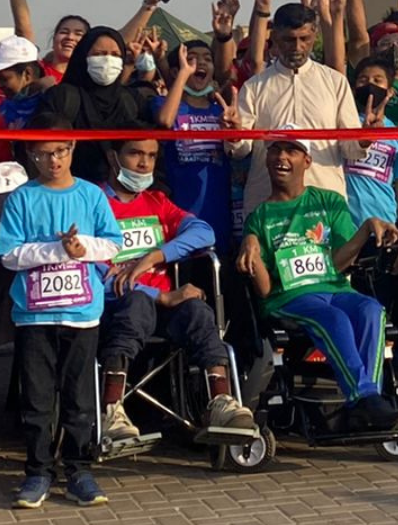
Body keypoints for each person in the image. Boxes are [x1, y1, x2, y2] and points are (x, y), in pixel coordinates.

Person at [0, 113, 123, 509]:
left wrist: (83, 249)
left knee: (79, 397)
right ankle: (37, 471)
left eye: (62, 152)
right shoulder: (22, 198)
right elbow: (7, 254)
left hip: (81, 314)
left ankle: (79, 468)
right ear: (33, 155)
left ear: (72, 150)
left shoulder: (91, 195)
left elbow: (114, 243)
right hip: (34, 316)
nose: (54, 161)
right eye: (46, 153)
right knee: (36, 398)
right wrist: (55, 250)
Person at [236, 137, 398, 428]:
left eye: (292, 151)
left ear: (307, 161)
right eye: (275, 150)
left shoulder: (329, 202)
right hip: (289, 297)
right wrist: (250, 246)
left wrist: (365, 229)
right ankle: (365, 399)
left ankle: (368, 400)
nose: (281, 157)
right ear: (266, 161)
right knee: (334, 319)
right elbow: (264, 290)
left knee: (371, 310)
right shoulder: (258, 217)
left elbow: (339, 264)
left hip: (334, 287)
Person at [96, 137, 256, 441]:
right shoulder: (94, 202)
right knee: (137, 302)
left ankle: (220, 402)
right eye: (135, 153)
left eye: (152, 156)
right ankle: (110, 409)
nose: (144, 163)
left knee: (197, 309)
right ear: (113, 157)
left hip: (166, 310)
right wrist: (161, 294)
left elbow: (203, 233)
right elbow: (93, 269)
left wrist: (155, 256)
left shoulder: (157, 202)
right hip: (118, 307)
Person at [231, 0, 363, 208]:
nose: (298, 47)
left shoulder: (335, 82)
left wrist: (364, 139)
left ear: (315, 35)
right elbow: (241, 151)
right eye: (289, 40)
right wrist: (235, 133)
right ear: (274, 37)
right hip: (267, 205)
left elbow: (351, 149)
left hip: (324, 203)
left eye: (304, 39)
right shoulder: (254, 87)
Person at [153, 42, 239, 252]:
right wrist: (183, 75)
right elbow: (165, 121)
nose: (200, 63)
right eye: (191, 58)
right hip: (181, 211)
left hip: (219, 210)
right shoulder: (162, 104)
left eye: (207, 59)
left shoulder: (221, 110)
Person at [36, 27, 147, 184]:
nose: (107, 60)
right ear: (82, 57)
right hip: (69, 193)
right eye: (98, 54)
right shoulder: (62, 97)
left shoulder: (131, 99)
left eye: (115, 55)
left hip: (121, 198)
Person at [344, 57, 398, 275]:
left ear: (390, 91)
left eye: (378, 80)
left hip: (385, 229)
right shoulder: (343, 128)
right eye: (363, 79)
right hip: (345, 228)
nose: (370, 85)